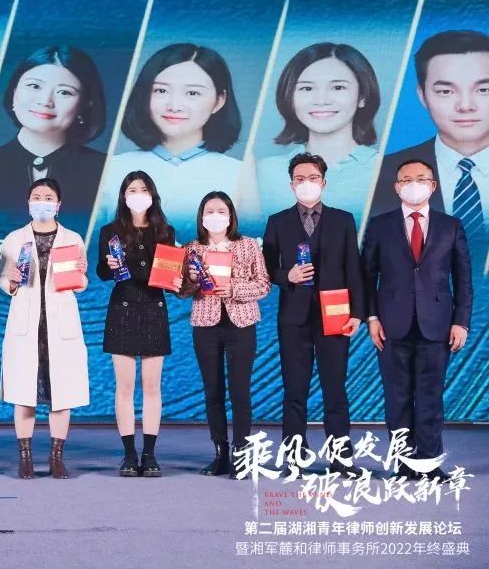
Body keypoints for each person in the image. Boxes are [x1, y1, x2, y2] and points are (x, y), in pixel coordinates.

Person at [362, 159, 472, 480]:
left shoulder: (451, 226)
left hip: (438, 324)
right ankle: (403, 464)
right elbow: (366, 276)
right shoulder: (380, 225)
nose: (413, 185)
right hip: (390, 325)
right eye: (406, 180)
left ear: (432, 185)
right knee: (397, 398)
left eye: (420, 179)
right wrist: (371, 318)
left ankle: (429, 463)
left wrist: (461, 322)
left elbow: (463, 279)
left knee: (430, 397)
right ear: (396, 187)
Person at [262, 152, 365, 475]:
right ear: (291, 184)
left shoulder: (343, 220)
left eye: (313, 178)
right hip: (293, 318)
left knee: (335, 389)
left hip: (335, 315)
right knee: (295, 389)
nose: (306, 183)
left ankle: (341, 458)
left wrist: (358, 313)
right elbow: (265, 268)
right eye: (300, 179)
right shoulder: (278, 222)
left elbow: (354, 268)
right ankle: (294, 458)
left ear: (324, 182)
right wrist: (287, 276)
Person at [102, 44, 252, 232]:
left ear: (219, 100)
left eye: (192, 93)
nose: (174, 106)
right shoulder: (110, 169)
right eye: (161, 91)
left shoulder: (241, 175)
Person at [371, 30, 489, 265]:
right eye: (446, 91)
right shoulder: (379, 176)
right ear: (422, 95)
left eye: (483, 90)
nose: (465, 106)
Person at [0, 178, 89, 479]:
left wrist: (80, 275)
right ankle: (25, 458)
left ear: (58, 205)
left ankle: (56, 457)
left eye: (48, 197)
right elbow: (4, 280)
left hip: (59, 324)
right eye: (36, 197)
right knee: (24, 392)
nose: (42, 202)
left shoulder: (73, 239)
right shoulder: (14, 239)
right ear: (28, 203)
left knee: (61, 392)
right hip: (27, 323)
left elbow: (81, 282)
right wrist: (11, 280)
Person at [178, 191, 270, 478]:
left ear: (230, 216)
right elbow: (181, 291)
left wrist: (234, 289)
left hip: (241, 324)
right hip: (205, 325)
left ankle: (241, 454)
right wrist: (191, 280)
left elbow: (264, 285)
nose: (215, 216)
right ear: (201, 217)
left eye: (221, 211)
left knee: (240, 391)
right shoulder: (191, 249)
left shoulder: (248, 245)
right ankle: (220, 453)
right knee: (213, 391)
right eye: (209, 211)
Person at [0, 46, 106, 233]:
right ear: (14, 91)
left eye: (64, 92)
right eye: (34, 86)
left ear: (86, 103)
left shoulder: (109, 171)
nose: (45, 101)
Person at [96, 171, 179, 478]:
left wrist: (176, 280)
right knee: (125, 386)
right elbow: (101, 272)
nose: (138, 195)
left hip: (154, 308)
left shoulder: (165, 231)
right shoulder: (110, 231)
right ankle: (129, 454)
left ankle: (150, 453)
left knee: (152, 386)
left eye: (143, 189)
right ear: (123, 196)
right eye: (132, 190)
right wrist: (109, 265)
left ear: (152, 195)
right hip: (123, 308)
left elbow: (170, 273)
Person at [256, 43, 381, 219]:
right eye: (307, 88)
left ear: (363, 96)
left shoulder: (385, 170)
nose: (321, 100)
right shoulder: (263, 173)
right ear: (290, 97)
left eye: (338, 87)